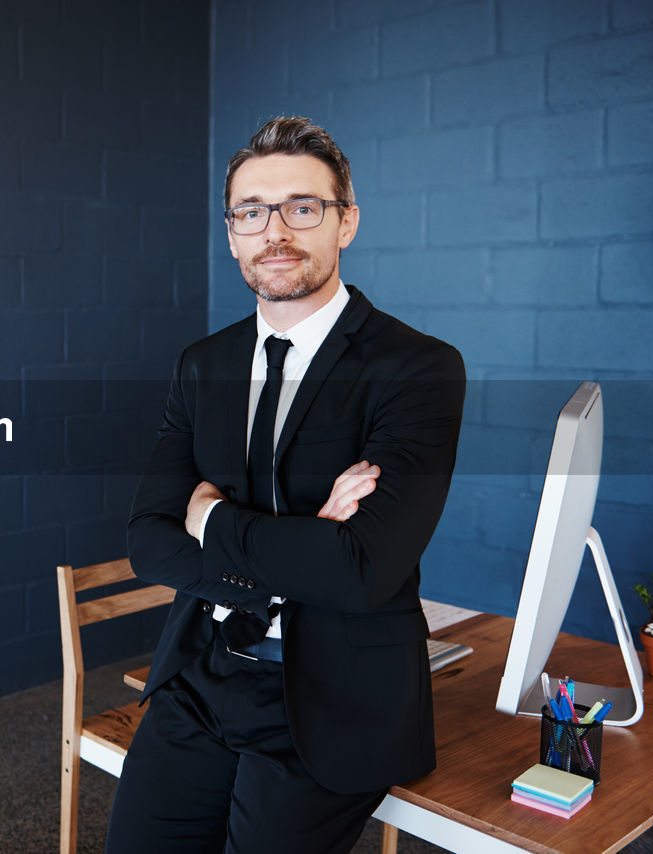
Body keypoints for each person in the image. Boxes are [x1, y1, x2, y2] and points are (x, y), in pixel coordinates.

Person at [106, 117, 466, 853]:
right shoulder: (203, 364)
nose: (276, 232)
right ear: (233, 232)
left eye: (303, 208)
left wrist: (211, 520)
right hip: (202, 673)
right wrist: (300, 552)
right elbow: (149, 542)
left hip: (335, 697)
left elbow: (361, 572)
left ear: (346, 222)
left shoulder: (417, 368)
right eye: (252, 212)